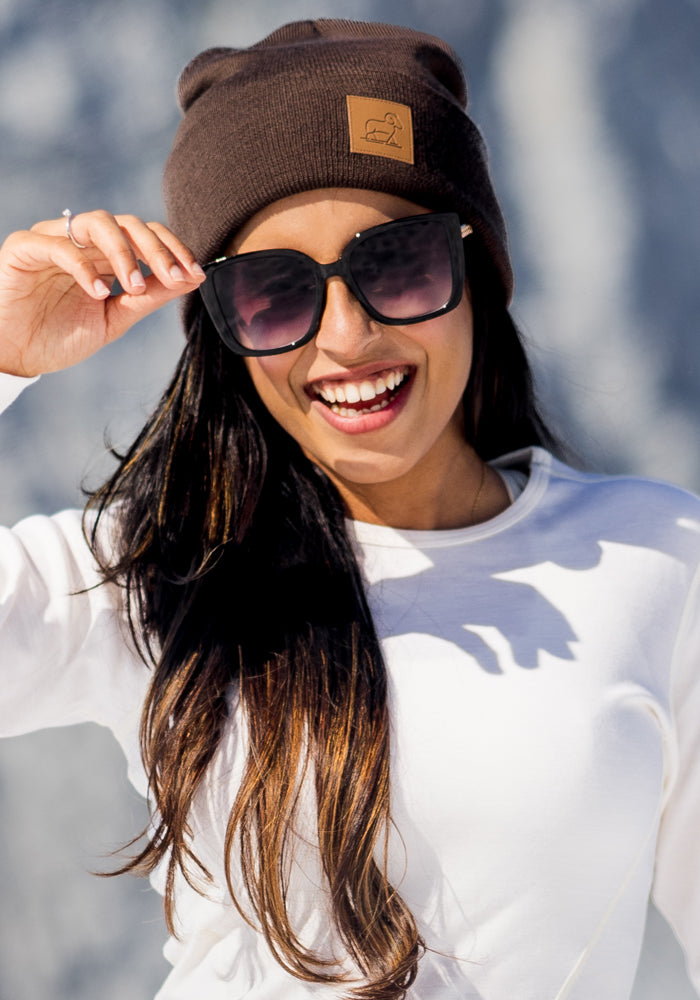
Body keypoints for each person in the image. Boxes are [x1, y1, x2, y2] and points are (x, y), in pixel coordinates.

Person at [0, 18, 699, 1000]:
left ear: (474, 272)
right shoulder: (151, 569)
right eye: (274, 293)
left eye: (398, 263)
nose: (346, 335)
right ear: (223, 330)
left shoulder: (659, 558)